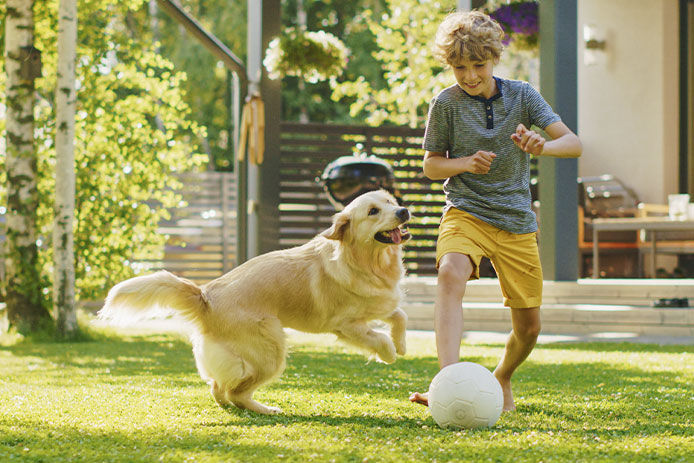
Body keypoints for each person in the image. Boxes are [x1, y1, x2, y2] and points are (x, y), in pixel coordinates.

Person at [409, 10, 582, 412]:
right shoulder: (446, 104)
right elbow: (432, 165)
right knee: (451, 273)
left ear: (494, 58)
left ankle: (502, 376)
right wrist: (465, 163)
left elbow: (572, 143)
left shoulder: (522, 95)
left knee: (529, 327)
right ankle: (448, 382)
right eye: (459, 67)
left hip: (515, 219)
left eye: (478, 65)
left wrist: (543, 146)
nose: (469, 76)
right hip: (466, 210)